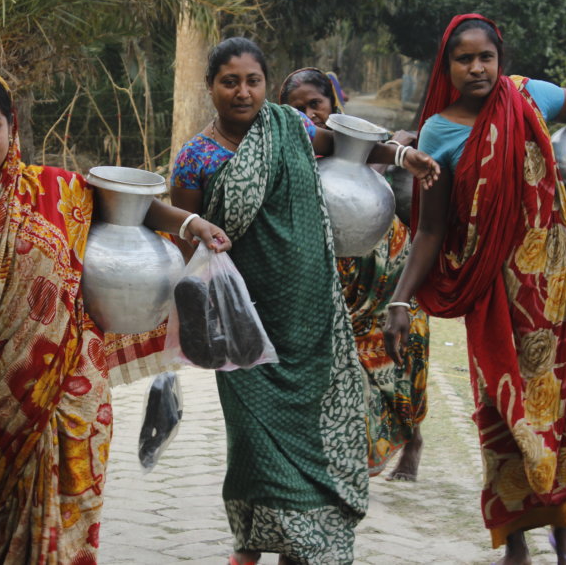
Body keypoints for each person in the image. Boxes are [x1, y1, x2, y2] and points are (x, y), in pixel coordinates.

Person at [0, 67, 229, 564]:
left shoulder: (57, 190)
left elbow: (135, 208)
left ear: (12, 126)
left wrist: (191, 222)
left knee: (65, 542)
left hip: (72, 400)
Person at [383, 15, 566, 565]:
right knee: (503, 409)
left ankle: (565, 533)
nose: (477, 68)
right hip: (495, 290)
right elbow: (431, 229)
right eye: (463, 59)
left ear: (501, 59)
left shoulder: (527, 96)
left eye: (485, 57)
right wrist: (401, 298)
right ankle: (516, 539)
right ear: (445, 67)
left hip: (558, 284)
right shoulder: (439, 134)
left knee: (564, 405)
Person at [170, 38, 440, 565]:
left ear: (266, 84)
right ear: (210, 88)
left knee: (310, 443)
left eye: (253, 80)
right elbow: (186, 246)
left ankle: (302, 548)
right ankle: (251, 542)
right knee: (253, 444)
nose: (243, 92)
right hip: (243, 325)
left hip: (311, 315)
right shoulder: (195, 158)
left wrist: (403, 155)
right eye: (230, 81)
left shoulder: (288, 128)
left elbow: (345, 148)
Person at [279, 67, 430, 482]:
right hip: (330, 277)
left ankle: (412, 439)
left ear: (333, 104)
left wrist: (395, 147)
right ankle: (339, 452)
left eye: (317, 104)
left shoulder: (358, 140)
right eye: (298, 108)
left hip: (385, 270)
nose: (310, 114)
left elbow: (373, 181)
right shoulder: (285, 152)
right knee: (335, 363)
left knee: (402, 354)